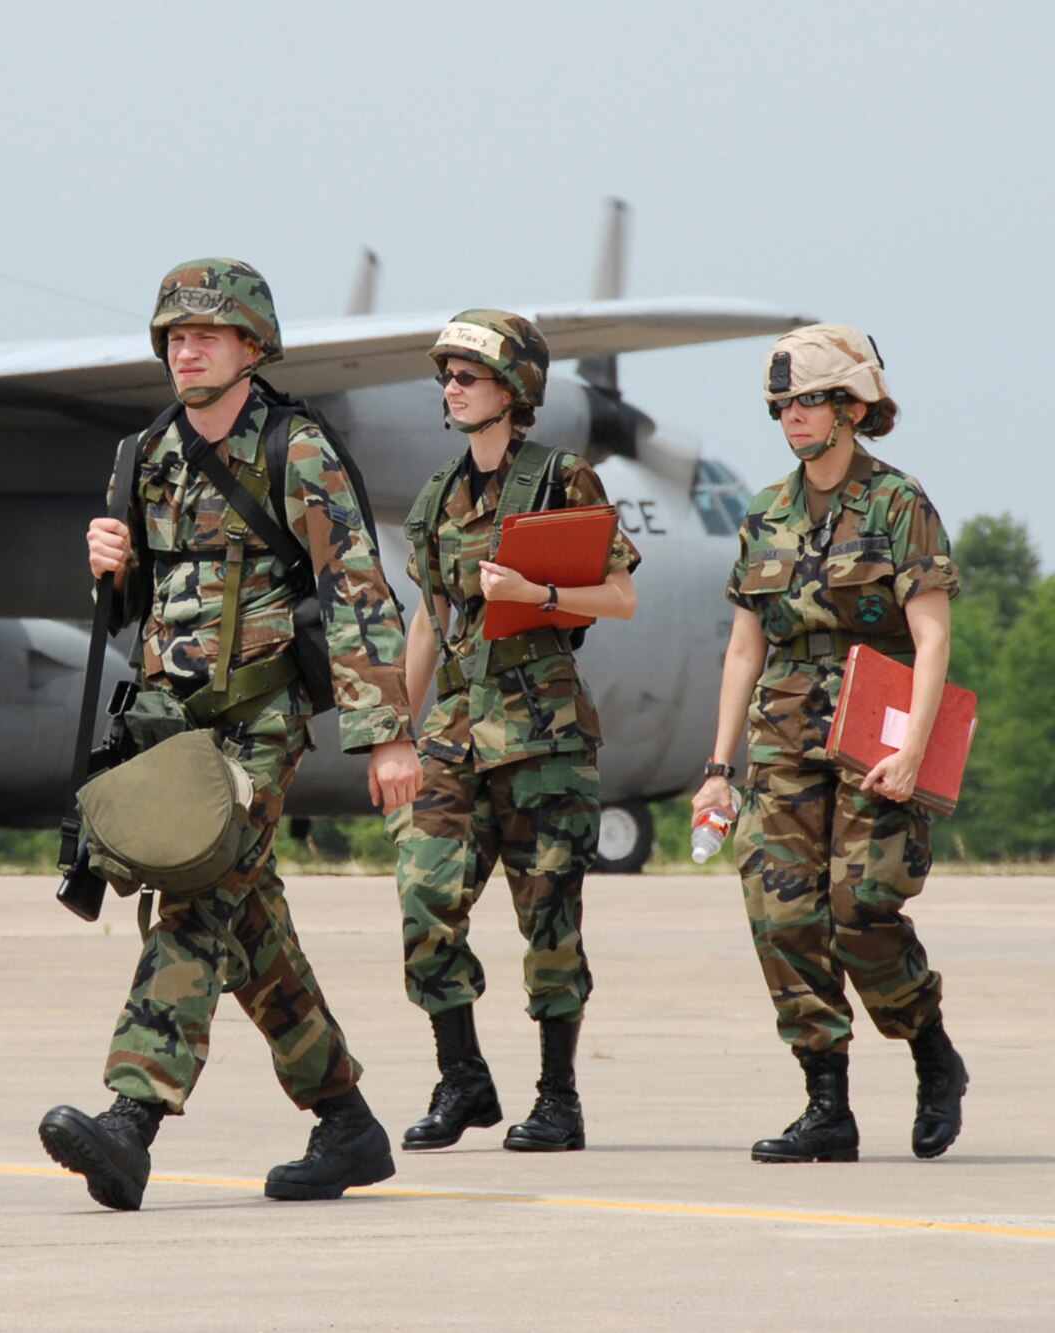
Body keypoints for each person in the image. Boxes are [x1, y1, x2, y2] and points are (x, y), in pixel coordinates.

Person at [37, 259, 422, 1210]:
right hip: (171, 724)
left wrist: (387, 734)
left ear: (253, 346)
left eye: (207, 333)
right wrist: (109, 568)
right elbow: (140, 606)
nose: (187, 348)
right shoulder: (145, 453)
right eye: (174, 334)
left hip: (259, 720)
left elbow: (359, 588)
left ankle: (130, 1117)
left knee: (199, 900)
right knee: (250, 922)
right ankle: (346, 1121)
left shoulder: (296, 450)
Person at [692, 324, 966, 1163]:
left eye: (809, 400)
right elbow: (744, 647)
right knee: (781, 915)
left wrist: (915, 749)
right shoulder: (765, 512)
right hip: (781, 735)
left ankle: (930, 1050)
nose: (793, 417)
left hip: (872, 735)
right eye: (783, 404)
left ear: (853, 408)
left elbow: (932, 636)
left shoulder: (897, 503)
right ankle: (826, 1105)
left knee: (861, 910)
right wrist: (716, 767)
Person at [395, 311, 639, 1155]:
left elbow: (619, 597)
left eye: (469, 375)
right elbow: (429, 619)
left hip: (545, 740)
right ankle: (462, 1076)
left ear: (515, 389)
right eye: (448, 377)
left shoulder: (564, 480)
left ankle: (558, 1099)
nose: (452, 389)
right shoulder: (436, 497)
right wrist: (400, 727)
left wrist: (537, 593)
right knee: (424, 898)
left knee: (550, 924)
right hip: (457, 739)